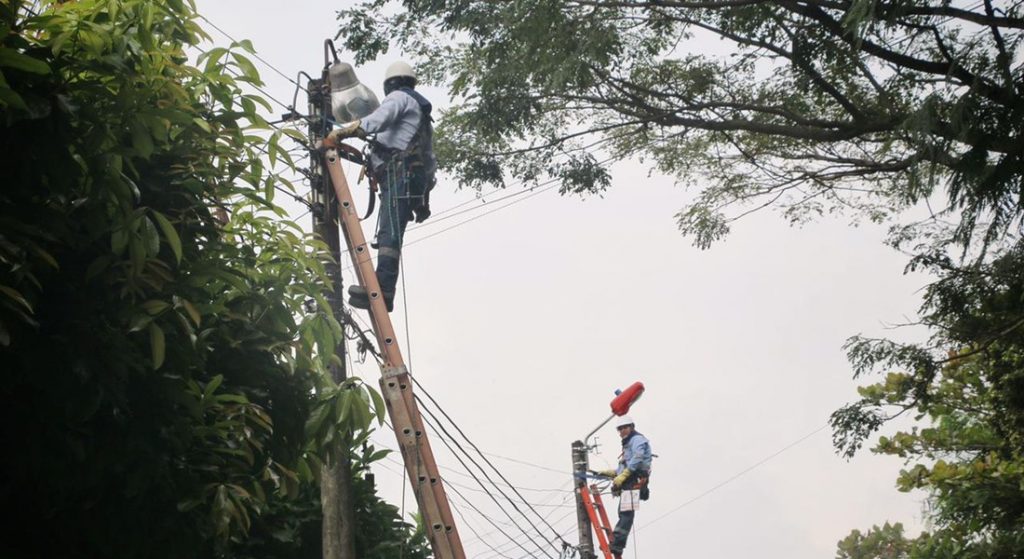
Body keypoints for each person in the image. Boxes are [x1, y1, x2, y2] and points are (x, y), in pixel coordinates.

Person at [327, 60, 436, 312]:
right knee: (391, 233)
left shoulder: (400, 98)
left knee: (389, 235)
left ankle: (383, 290)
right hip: (406, 179)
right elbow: (429, 163)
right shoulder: (421, 116)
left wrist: (343, 132)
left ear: (391, 84)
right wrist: (422, 201)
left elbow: (378, 120)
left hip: (399, 175)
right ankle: (382, 290)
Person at [597, 415, 652, 559]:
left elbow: (637, 459)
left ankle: (617, 544)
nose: (621, 431)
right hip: (629, 479)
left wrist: (623, 475)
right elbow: (624, 467)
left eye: (624, 428)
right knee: (623, 512)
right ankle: (617, 543)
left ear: (631, 427)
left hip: (635, 480)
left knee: (626, 513)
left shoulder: (637, 440)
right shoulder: (628, 443)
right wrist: (610, 473)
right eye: (619, 429)